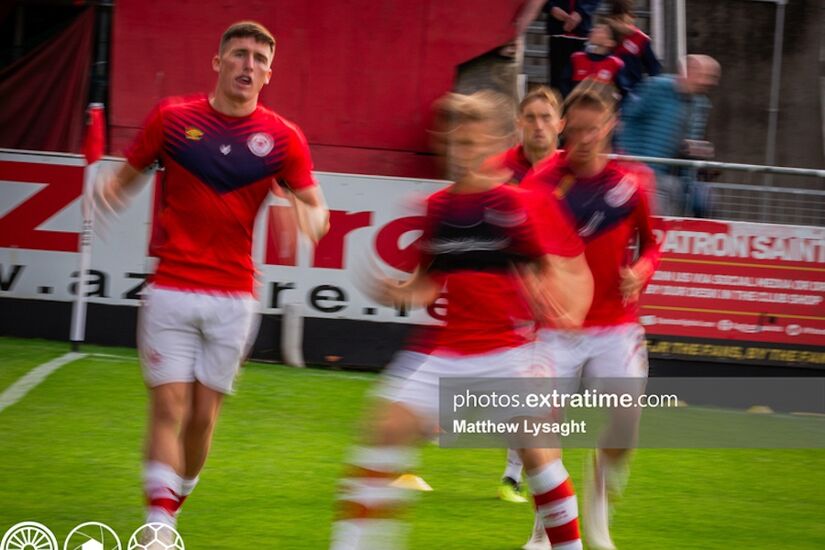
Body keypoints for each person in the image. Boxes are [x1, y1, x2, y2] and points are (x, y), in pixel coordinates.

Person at [329, 90, 593, 550]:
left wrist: (555, 303)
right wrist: (398, 292)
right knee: (381, 430)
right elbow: (428, 284)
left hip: (512, 352)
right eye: (456, 143)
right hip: (447, 352)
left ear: (492, 146)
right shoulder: (439, 208)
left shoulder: (514, 205)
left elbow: (548, 269)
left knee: (537, 454)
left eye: (472, 143)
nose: (462, 153)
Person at [94, 21, 328, 533]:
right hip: (170, 289)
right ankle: (158, 525)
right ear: (217, 62)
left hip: (233, 298)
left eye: (259, 59)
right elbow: (129, 174)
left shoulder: (283, 139)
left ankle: (178, 495)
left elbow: (317, 208)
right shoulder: (172, 119)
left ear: (269, 73)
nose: (249, 65)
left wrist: (306, 218)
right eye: (240, 54)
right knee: (169, 405)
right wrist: (112, 189)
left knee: (202, 419)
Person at [520, 80, 661, 550]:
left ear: (610, 127)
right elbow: (519, 251)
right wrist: (536, 286)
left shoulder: (633, 183)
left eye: (592, 130)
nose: (581, 140)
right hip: (555, 330)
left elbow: (653, 244)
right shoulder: (539, 183)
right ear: (563, 127)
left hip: (615, 326)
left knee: (628, 423)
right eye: (573, 130)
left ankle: (599, 493)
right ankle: (546, 528)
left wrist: (642, 269)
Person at [616, 54, 720, 215]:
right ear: (688, 71)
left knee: (706, 200)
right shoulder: (656, 88)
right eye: (705, 75)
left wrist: (697, 149)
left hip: (677, 179)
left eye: (713, 78)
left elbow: (692, 141)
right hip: (643, 171)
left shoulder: (701, 104)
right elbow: (625, 118)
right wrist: (628, 158)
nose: (709, 82)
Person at [544, 1, 601, 91]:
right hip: (558, 31)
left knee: (579, 82)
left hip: (581, 33)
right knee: (557, 81)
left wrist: (581, 12)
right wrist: (551, 7)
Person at [606, 0, 661, 92]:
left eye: (622, 18)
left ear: (631, 17)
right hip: (607, 90)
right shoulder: (605, 34)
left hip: (632, 91)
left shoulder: (640, 38)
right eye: (616, 19)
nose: (620, 23)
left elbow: (654, 67)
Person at [560, 23, 627, 98]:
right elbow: (564, 85)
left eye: (601, 31)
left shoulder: (616, 64)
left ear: (610, 43)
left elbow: (623, 92)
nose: (594, 30)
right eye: (595, 28)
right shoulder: (576, 58)